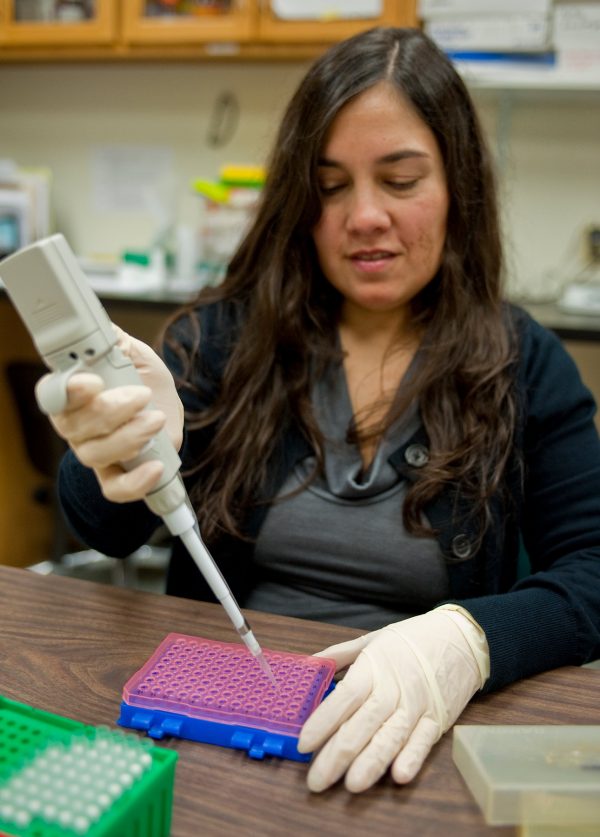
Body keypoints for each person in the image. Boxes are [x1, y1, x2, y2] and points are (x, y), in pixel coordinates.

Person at [52, 27, 600, 794]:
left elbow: (594, 570)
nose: (364, 215)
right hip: (226, 726)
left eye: (401, 180)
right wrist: (113, 454)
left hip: (413, 745)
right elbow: (103, 528)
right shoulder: (223, 339)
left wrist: (472, 639)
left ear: (458, 189)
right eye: (331, 184)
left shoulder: (527, 362)